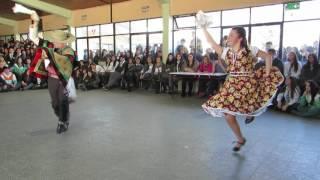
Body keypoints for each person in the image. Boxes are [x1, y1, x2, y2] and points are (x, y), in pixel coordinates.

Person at [200, 22, 284, 152]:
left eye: (231, 35)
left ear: (240, 38)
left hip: (247, 85)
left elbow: (268, 57)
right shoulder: (226, 52)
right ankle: (240, 139)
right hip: (232, 85)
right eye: (229, 35)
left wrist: (267, 74)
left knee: (248, 104)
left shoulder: (250, 50)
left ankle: (250, 112)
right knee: (228, 115)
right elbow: (211, 43)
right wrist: (203, 28)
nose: (228, 37)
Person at [17, 5, 76, 134]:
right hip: (52, 79)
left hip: (63, 80)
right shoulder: (50, 46)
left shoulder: (69, 51)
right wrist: (35, 23)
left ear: (63, 42)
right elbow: (34, 39)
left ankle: (62, 122)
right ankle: (63, 117)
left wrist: (48, 53)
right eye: (54, 40)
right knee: (55, 104)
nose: (54, 42)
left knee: (63, 100)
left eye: (57, 41)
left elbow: (63, 61)